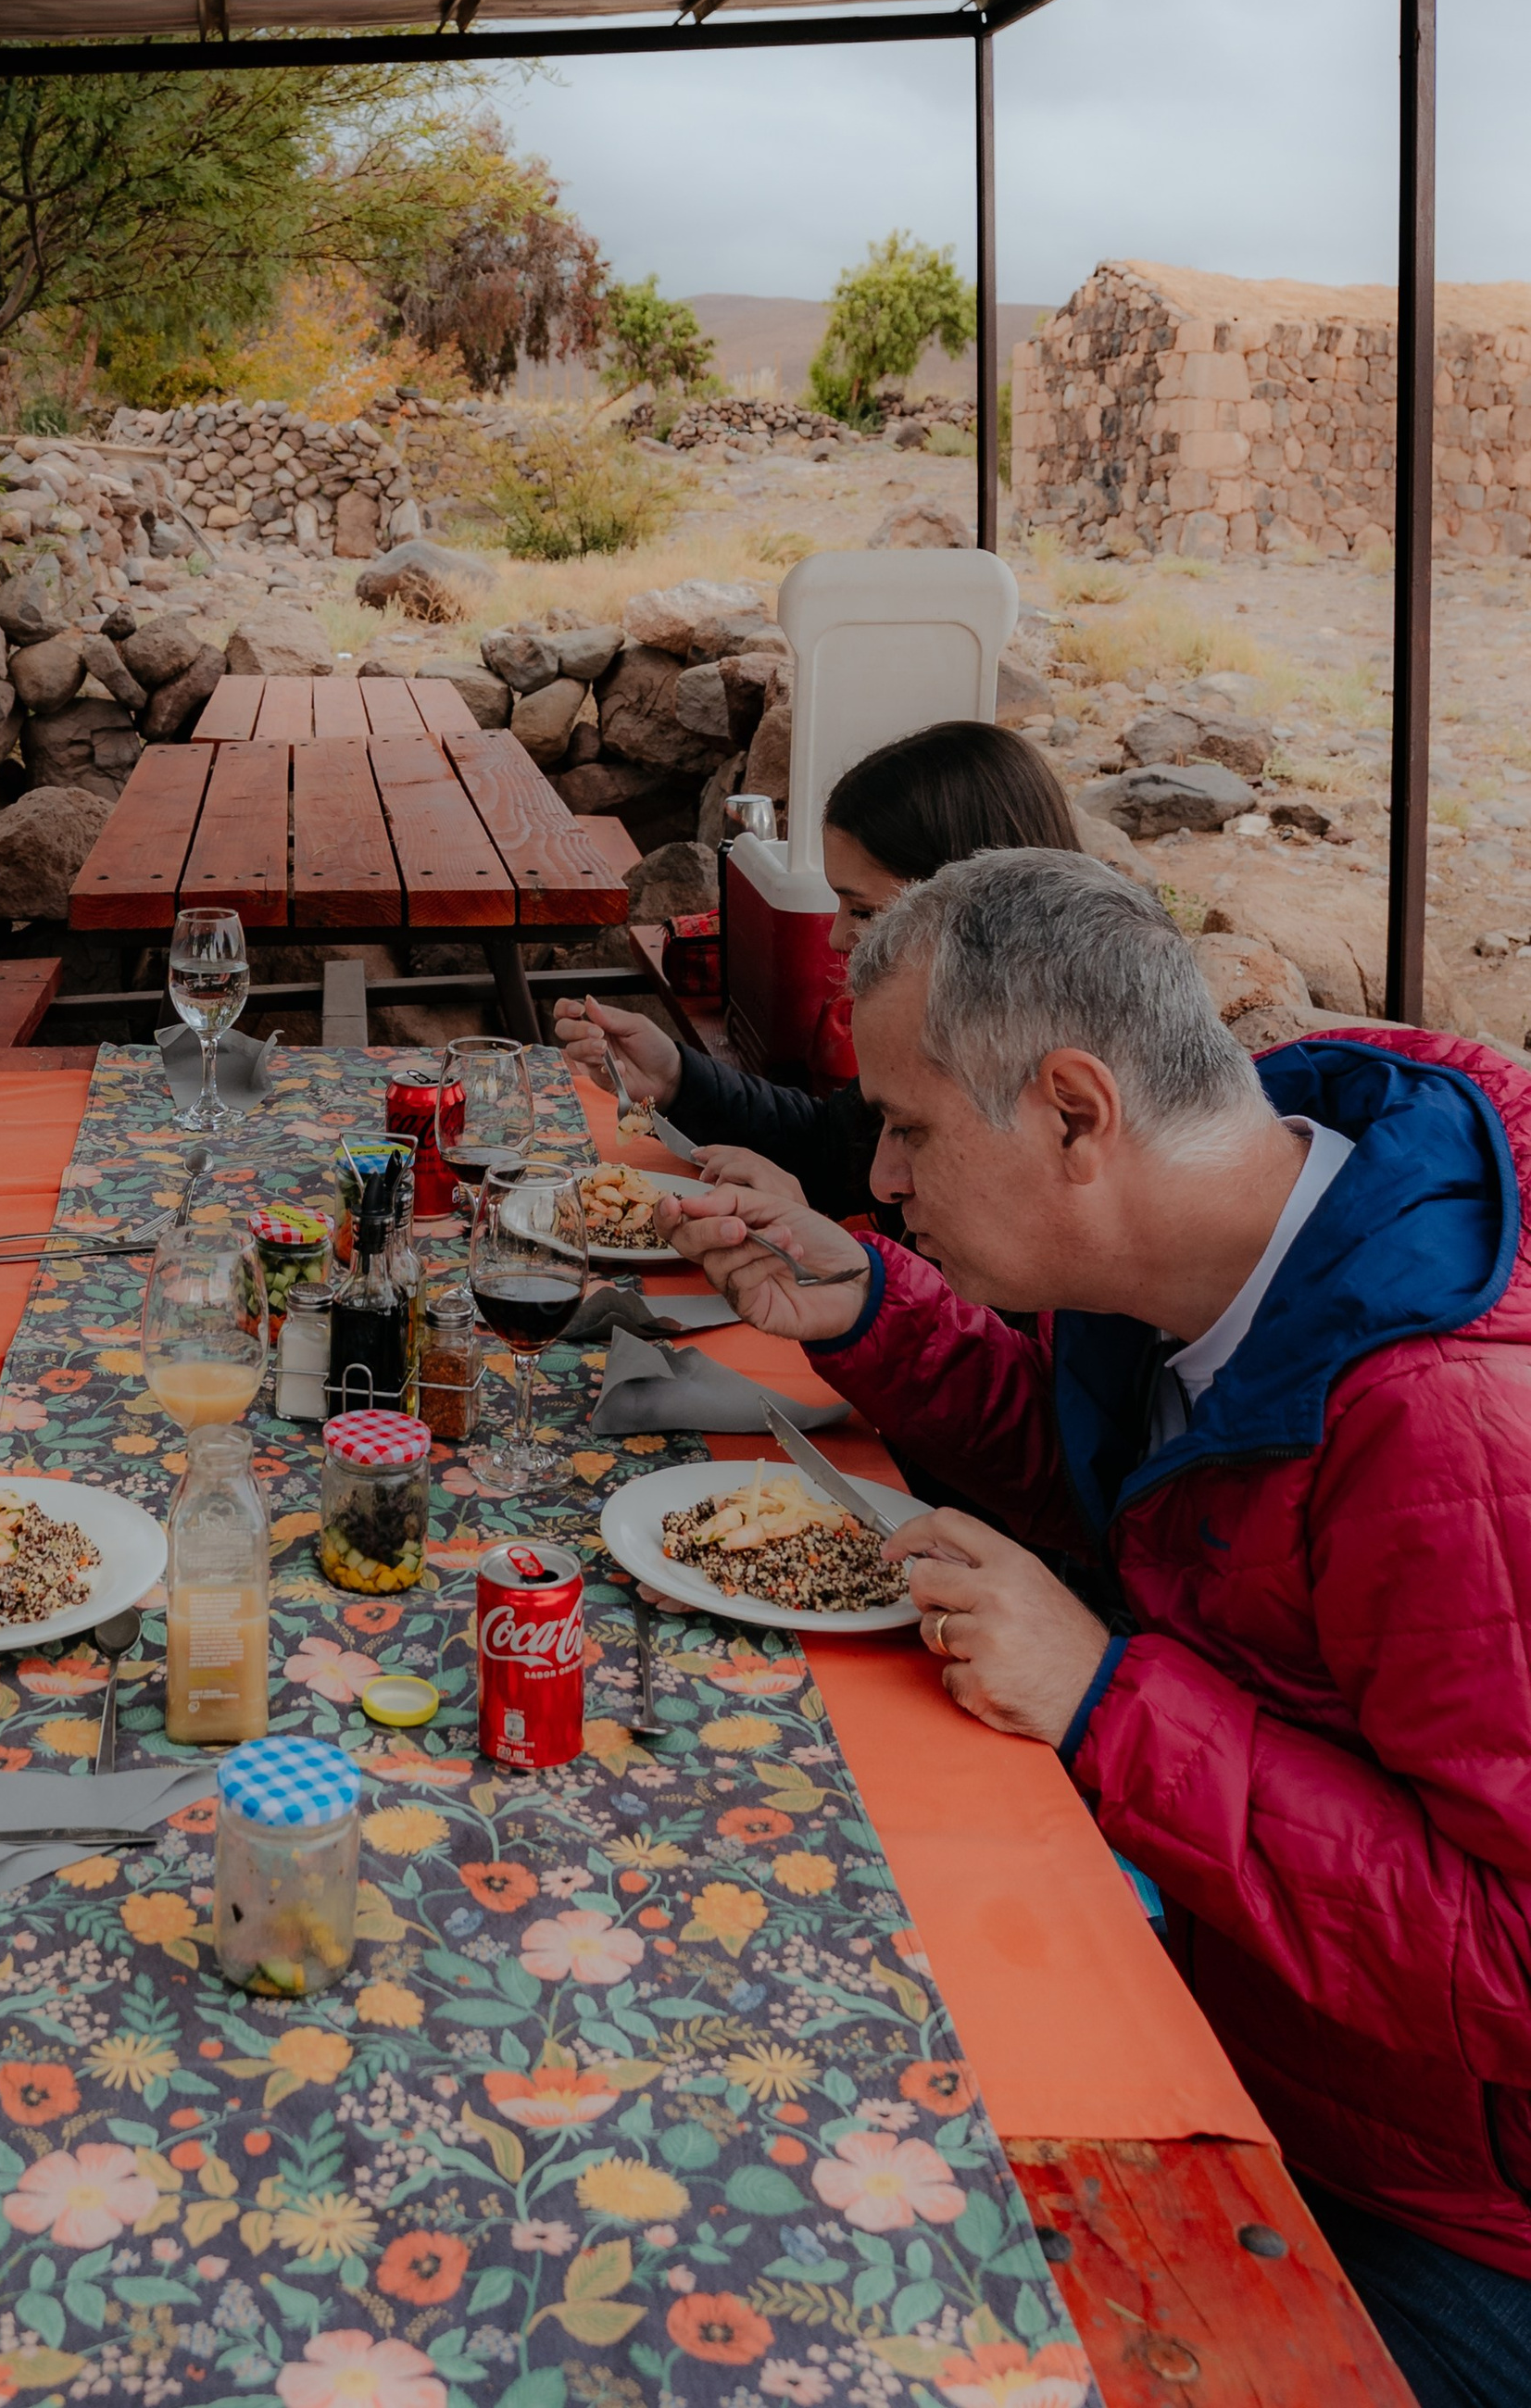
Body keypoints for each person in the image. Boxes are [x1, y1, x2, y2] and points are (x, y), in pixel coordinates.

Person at [669, 847, 1531, 2408]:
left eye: (913, 1132)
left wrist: (1109, 1703)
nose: (882, 1181)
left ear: (1077, 1111)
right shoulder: (1205, 1230)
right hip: (1233, 2002)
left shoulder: (1452, 1426)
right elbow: (1132, 1498)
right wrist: (874, 1307)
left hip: (1452, 2212)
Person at [555, 715, 1083, 1215]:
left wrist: (831, 1253)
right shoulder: (953, 1030)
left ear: (974, 906)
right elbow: (835, 1142)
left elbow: (981, 1301)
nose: (835, 937)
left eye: (866, 911)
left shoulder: (1045, 1096)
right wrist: (677, 1077)